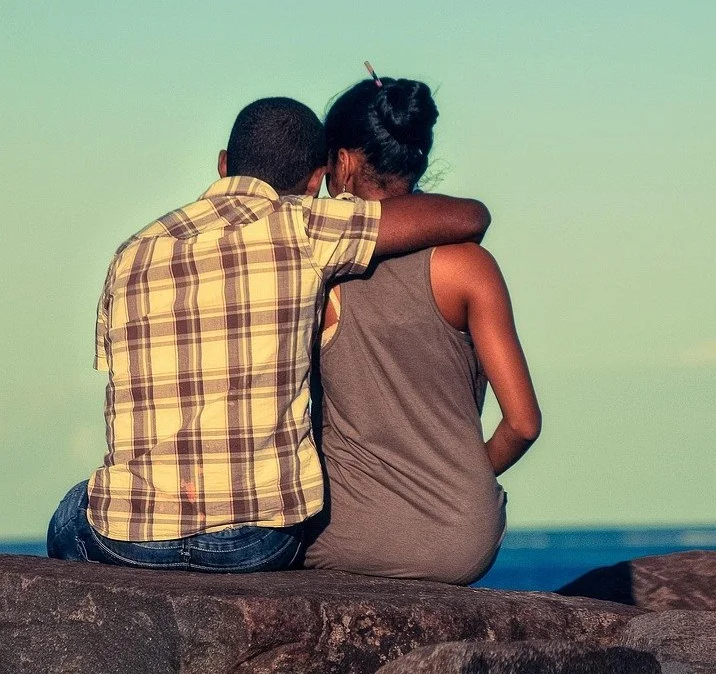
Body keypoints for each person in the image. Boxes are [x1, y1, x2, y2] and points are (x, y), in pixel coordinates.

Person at [46, 96, 491, 573]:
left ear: (223, 166)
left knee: (73, 508)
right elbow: (469, 217)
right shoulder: (304, 226)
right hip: (257, 543)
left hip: (131, 540)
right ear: (316, 180)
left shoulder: (131, 252)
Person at [304, 77, 540, 584]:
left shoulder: (319, 268)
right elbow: (523, 423)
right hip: (463, 539)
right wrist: (461, 479)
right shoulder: (470, 266)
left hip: (349, 532)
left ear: (342, 163)